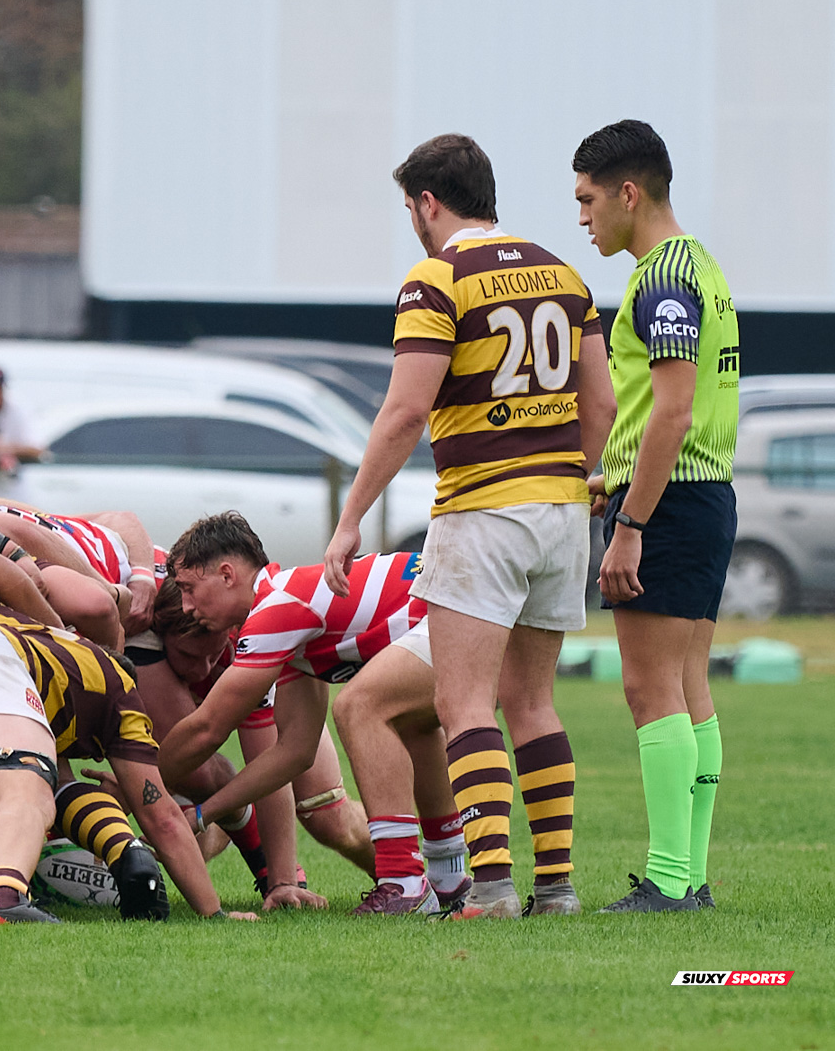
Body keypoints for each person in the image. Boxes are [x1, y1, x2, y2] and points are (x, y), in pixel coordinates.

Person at [323, 133, 616, 919]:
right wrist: (578, 478)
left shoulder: (435, 278)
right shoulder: (563, 271)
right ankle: (555, 888)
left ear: (427, 202)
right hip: (562, 512)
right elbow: (605, 407)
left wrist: (350, 518)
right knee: (535, 703)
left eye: (409, 209)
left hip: (484, 507)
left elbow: (407, 410)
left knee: (465, 705)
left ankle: (490, 890)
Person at [573, 120, 738, 913]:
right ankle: (690, 876)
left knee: (650, 691)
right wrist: (617, 476)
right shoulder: (701, 266)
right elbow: (676, 412)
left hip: (672, 506)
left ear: (628, 194)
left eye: (588, 199)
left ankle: (671, 881)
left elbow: (672, 413)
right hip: (704, 495)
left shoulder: (661, 280)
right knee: (687, 685)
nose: (583, 218)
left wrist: (632, 524)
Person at [0, 605, 246, 924]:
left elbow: (66, 784)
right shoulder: (121, 689)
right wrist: (213, 912)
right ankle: (2, 896)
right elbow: (162, 817)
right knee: (25, 790)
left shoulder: (55, 651)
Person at [158, 519, 470, 915]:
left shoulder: (274, 609)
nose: (186, 605)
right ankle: (449, 879)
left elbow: (207, 728)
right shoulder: (289, 615)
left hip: (461, 609)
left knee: (359, 706)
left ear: (226, 575)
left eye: (188, 589)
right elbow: (294, 753)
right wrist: (203, 815)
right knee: (412, 720)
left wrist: (138, 785)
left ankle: (404, 882)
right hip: (463, 601)